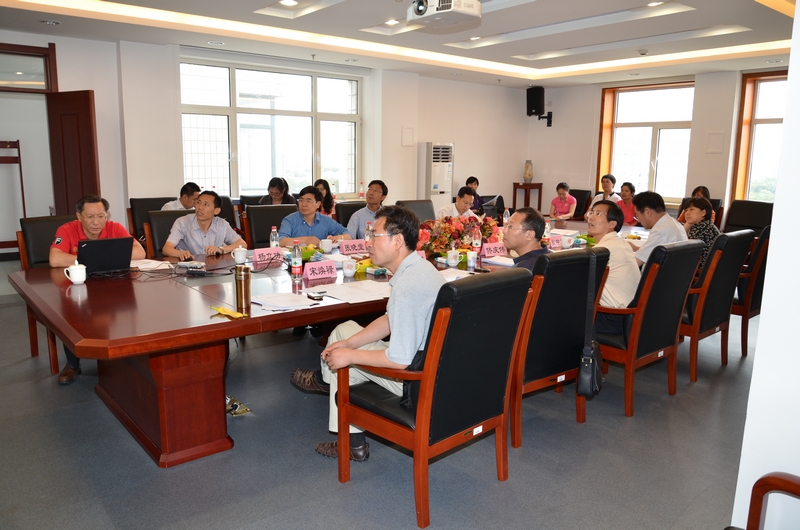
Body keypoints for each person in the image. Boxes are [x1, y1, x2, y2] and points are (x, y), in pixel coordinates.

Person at [289, 205, 446, 461]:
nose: (367, 242)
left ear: (397, 241)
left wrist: (350, 356)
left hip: (417, 380)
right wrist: (351, 343)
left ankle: (349, 438)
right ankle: (326, 379)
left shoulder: (408, 288)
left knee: (343, 362)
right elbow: (390, 320)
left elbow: (400, 360)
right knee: (343, 333)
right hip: (435, 365)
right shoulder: (420, 268)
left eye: (375, 236)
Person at [49, 195, 146, 384]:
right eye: (90, 216)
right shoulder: (67, 229)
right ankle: (73, 364)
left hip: (110, 287)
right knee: (71, 317)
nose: (96, 222)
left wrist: (97, 257)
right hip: (75, 287)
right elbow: (55, 259)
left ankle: (117, 360)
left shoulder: (115, 228)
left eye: (101, 216)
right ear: (79, 216)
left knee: (121, 312)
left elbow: (140, 252)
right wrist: (97, 258)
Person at [587, 200, 641, 334]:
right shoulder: (622, 244)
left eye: (598, 214)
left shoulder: (602, 251)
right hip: (633, 317)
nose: (591, 217)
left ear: (612, 224)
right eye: (591, 212)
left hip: (613, 318)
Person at [162, 190, 247, 260]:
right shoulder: (182, 222)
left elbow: (242, 244)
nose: (200, 207)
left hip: (214, 267)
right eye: (198, 202)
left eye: (205, 204)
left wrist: (221, 250)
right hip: (189, 268)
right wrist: (180, 253)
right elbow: (166, 249)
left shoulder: (222, 224)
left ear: (216, 211)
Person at [278, 186, 352, 246]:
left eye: (308, 201)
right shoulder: (289, 220)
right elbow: (281, 241)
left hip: (321, 258)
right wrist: (305, 240)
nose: (303, 204)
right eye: (301, 200)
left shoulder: (326, 220)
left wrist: (339, 237)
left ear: (318, 204)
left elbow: (349, 235)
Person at [630, 191, 687, 267]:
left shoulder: (660, 231)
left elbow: (634, 264)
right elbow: (654, 251)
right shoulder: (673, 223)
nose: (638, 220)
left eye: (637, 215)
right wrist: (636, 248)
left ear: (647, 212)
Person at [682, 196, 721, 269]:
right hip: (713, 266)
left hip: (702, 267)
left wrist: (686, 226)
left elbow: (685, 250)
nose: (687, 213)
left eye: (691, 209)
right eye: (686, 210)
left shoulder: (700, 227)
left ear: (703, 212)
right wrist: (688, 224)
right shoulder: (707, 224)